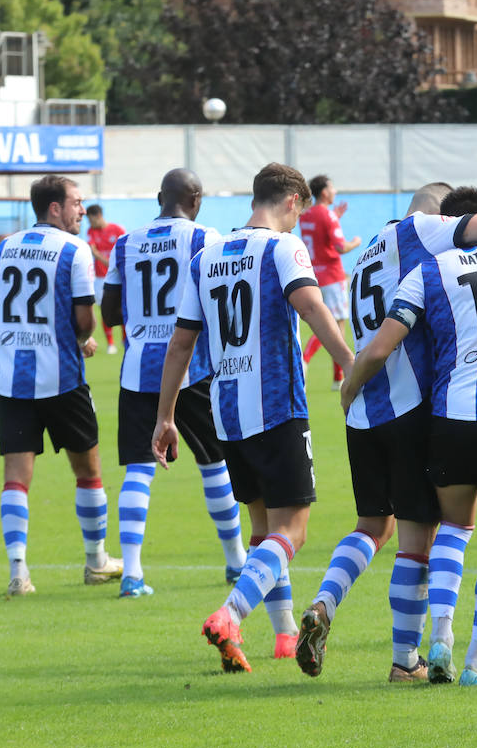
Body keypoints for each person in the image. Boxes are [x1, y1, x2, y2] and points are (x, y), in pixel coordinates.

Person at [294, 183, 477, 682]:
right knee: (418, 541)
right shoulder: (426, 230)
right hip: (409, 407)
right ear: (438, 216)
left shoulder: (370, 252)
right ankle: (405, 661)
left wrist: (349, 385)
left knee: (373, 526)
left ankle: (324, 603)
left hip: (363, 412)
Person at [151, 163, 354, 674]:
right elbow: (309, 304)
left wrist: (165, 417)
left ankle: (285, 635)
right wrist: (351, 365)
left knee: (264, 532)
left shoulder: (207, 254)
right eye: (299, 212)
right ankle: (231, 614)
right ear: (291, 202)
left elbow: (181, 342)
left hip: (228, 411)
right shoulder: (283, 249)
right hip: (278, 406)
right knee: (295, 530)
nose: (299, 222)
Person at [100, 169, 250, 600]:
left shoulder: (125, 242)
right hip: (193, 367)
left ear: (159, 197)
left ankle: (131, 573)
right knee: (213, 463)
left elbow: (109, 313)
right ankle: (236, 560)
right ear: (196, 198)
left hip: (138, 371)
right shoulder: (205, 238)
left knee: (138, 469)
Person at [0, 175, 123, 596]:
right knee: (88, 470)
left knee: (16, 477)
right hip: (62, 380)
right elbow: (85, 318)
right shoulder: (74, 249)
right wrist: (84, 340)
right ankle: (96, 560)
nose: (82, 210)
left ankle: (18, 572)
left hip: (13, 381)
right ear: (54, 208)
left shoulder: (4, 247)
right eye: (76, 203)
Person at [299, 175, 362, 389]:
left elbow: (318, 231)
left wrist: (334, 216)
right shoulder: (327, 216)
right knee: (335, 326)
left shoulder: (306, 214)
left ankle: (338, 379)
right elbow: (340, 248)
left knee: (333, 324)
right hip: (333, 277)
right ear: (324, 192)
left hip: (315, 276)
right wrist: (356, 242)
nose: (335, 191)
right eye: (332, 187)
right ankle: (305, 359)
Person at [85, 204, 127, 355]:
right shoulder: (91, 231)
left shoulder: (118, 231)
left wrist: (97, 255)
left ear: (98, 216)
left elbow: (114, 262)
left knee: (122, 307)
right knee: (105, 309)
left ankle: (124, 338)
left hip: (118, 276)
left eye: (90, 220)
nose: (90, 224)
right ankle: (110, 343)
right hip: (99, 278)